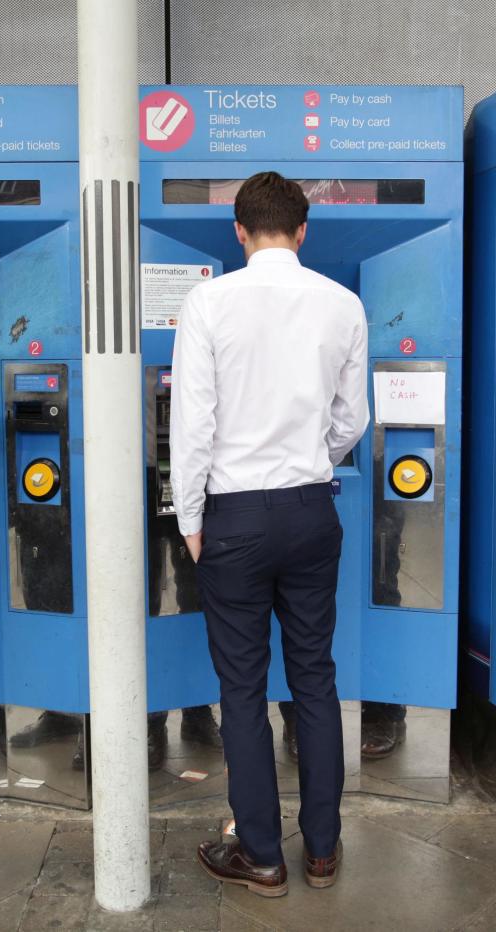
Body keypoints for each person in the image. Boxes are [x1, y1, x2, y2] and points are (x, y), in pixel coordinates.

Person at [170, 171, 368, 896]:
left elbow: (191, 425)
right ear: (304, 229)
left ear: (239, 231)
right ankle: (322, 849)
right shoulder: (343, 304)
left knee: (242, 690)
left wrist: (191, 517)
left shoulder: (208, 302)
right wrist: (315, 463)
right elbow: (353, 421)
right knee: (315, 679)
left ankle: (260, 853)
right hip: (313, 509)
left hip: (235, 519)